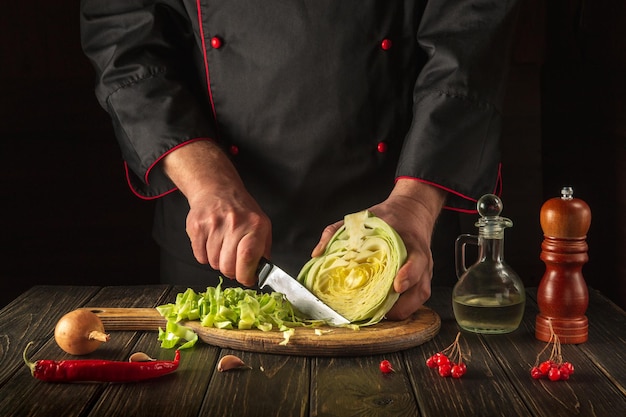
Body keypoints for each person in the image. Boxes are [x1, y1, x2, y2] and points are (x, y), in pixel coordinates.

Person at [80, 0, 520, 320]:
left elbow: (468, 43)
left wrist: (416, 206)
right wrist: (207, 181)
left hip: (400, 240)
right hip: (217, 237)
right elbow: (122, 34)